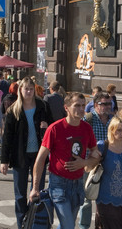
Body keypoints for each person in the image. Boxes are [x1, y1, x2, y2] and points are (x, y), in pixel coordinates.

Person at [29, 93, 99, 229]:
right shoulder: (55, 128)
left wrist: (84, 163)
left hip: (78, 184)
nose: (81, 109)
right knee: (68, 226)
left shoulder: (87, 128)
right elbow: (40, 158)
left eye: (83, 105)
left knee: (67, 225)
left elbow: (96, 154)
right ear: (66, 107)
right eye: (77, 105)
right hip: (58, 185)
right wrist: (35, 188)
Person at [0, 76, 52, 228]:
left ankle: (34, 222)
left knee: (37, 192)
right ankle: (22, 224)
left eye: (31, 89)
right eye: (26, 89)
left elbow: (52, 129)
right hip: (20, 156)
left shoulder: (43, 106)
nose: (28, 91)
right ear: (20, 90)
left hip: (39, 156)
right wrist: (4, 160)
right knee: (20, 195)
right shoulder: (13, 110)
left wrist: (46, 126)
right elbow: (7, 137)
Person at [77, 92, 113, 229]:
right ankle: (84, 226)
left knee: (105, 199)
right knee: (87, 198)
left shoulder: (113, 120)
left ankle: (102, 226)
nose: (108, 106)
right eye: (104, 104)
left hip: (107, 164)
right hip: (90, 164)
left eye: (109, 103)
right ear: (96, 105)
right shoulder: (88, 119)